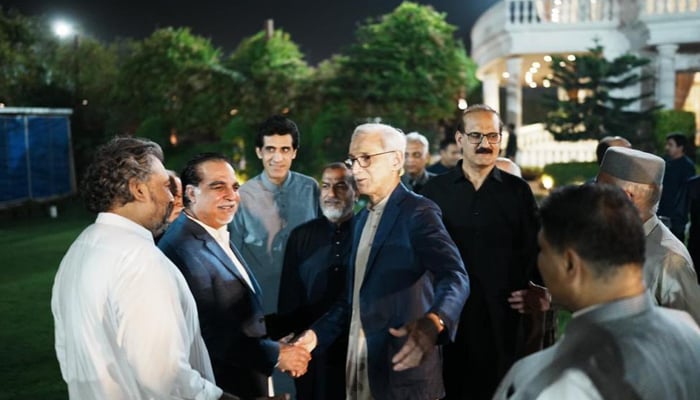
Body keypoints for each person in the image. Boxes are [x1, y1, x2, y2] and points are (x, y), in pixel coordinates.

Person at [51, 137, 229, 399]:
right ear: (138, 190)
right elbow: (165, 376)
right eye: (165, 186)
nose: (172, 197)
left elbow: (67, 356)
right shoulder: (140, 260)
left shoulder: (78, 250)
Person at [302, 123, 470, 399]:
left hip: (402, 378)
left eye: (366, 158)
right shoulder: (360, 220)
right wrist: (312, 338)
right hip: (358, 373)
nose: (356, 169)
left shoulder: (418, 212)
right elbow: (350, 301)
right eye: (353, 159)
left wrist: (434, 321)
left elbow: (454, 275)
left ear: (395, 159)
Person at [494, 184, 700, 400]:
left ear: (570, 264)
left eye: (543, 250)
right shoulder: (689, 334)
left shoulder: (550, 379)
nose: (539, 261)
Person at [158, 153, 311, 399]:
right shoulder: (183, 247)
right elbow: (211, 334)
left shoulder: (209, 231)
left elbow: (235, 316)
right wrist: (278, 354)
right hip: (224, 387)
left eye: (235, 187)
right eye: (218, 187)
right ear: (190, 193)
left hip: (246, 379)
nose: (231, 195)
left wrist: (298, 321)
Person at [421, 104, 542, 400]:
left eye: (492, 136)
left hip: (503, 319)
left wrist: (539, 291)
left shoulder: (518, 192)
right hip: (448, 318)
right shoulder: (434, 191)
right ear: (460, 139)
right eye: (475, 135)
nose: (485, 144)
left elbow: (537, 248)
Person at [272, 162, 357, 400]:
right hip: (309, 348)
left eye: (341, 186)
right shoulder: (301, 235)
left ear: (356, 191)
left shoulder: (365, 232)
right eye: (326, 186)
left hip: (355, 347)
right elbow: (289, 293)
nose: (331, 194)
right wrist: (289, 340)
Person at [597, 146, 700, 324]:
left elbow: (691, 335)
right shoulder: (613, 238)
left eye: (599, 188)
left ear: (626, 196)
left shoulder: (669, 259)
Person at [230, 115, 320, 315]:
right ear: (259, 152)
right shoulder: (241, 197)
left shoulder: (310, 188)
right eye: (270, 149)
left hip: (307, 300)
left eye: (285, 150)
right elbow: (234, 256)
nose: (277, 158)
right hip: (263, 305)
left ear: (294, 153)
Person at [658, 133, 696, 240]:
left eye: (670, 145)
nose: (667, 148)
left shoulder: (687, 167)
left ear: (680, 147)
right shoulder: (664, 162)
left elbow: (686, 193)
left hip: (676, 216)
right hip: (660, 210)